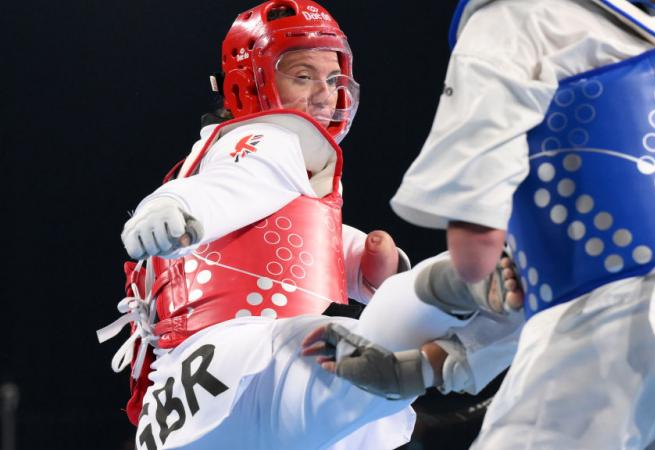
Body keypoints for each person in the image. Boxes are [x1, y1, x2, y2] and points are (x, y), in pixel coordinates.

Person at [97, 2, 525, 449]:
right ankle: (452, 284)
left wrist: (356, 261)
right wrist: (174, 205)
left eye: (334, 79)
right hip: (241, 367)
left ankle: (449, 291)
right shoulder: (266, 139)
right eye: (303, 76)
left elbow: (258, 227)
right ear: (248, 84)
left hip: (191, 408)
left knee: (364, 366)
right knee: (355, 361)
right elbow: (236, 185)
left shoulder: (222, 162)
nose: (325, 94)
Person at [379, 0, 655, 448]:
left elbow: (477, 253)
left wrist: (453, 281)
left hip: (620, 311)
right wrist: (447, 360)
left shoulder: (511, 18)